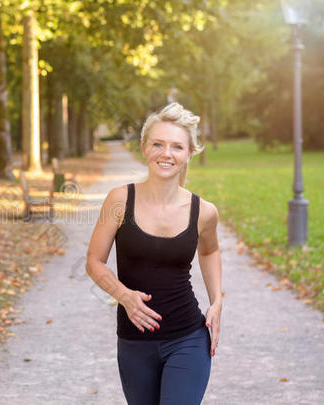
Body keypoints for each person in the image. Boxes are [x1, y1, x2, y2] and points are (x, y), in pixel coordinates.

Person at [85, 102, 222, 405]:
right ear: (145, 147)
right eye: (158, 144)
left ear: (189, 154)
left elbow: (210, 251)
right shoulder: (119, 200)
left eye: (177, 146)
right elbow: (94, 262)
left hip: (188, 337)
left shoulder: (203, 211)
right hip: (134, 342)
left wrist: (217, 301)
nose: (166, 153)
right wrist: (124, 296)